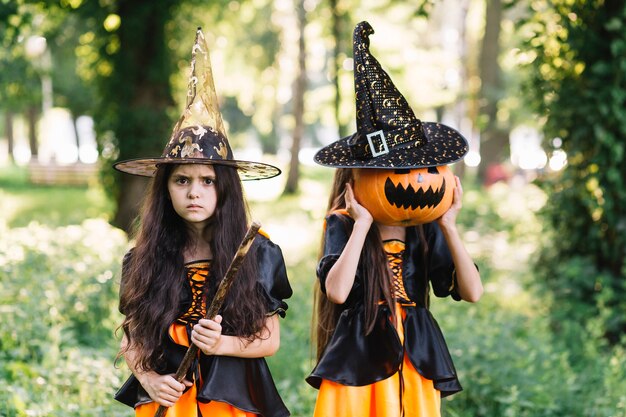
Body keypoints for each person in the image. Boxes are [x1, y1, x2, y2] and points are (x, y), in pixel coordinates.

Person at [306, 22, 483, 417]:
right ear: (359, 177)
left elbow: (472, 291)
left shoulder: (425, 230)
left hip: (416, 355)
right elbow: (337, 291)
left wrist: (449, 225)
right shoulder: (344, 223)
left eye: (423, 168)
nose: (415, 179)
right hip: (360, 352)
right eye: (396, 171)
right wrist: (363, 223)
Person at [113, 28, 292, 417]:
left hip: (232, 399)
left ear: (223, 188)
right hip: (170, 400)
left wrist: (222, 344)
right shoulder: (142, 258)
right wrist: (147, 378)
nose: (195, 192)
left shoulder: (256, 252)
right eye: (182, 181)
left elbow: (269, 339)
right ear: (166, 190)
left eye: (207, 181)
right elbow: (132, 336)